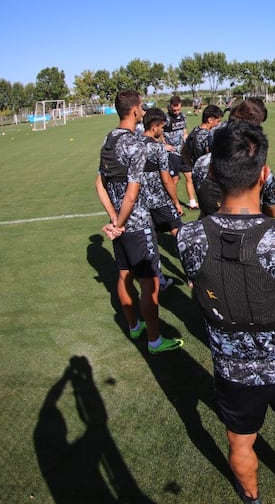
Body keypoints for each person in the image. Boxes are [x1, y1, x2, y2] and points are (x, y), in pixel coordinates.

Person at [176, 122, 275, 504]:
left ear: (212, 171)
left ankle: (251, 497)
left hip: (231, 366)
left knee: (239, 440)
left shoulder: (188, 237)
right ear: (264, 174)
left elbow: (198, 286)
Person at [94, 90, 183, 355]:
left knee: (123, 276)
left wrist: (112, 218)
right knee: (149, 283)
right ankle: (155, 341)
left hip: (119, 225)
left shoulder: (108, 140)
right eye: (141, 107)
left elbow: (99, 183)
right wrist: (121, 222)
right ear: (134, 111)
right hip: (137, 223)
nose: (143, 111)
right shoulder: (134, 143)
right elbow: (133, 192)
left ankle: (134, 326)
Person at [193, 98, 275, 218]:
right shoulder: (258, 163)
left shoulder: (202, 161)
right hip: (244, 216)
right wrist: (270, 194)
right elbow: (271, 211)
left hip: (209, 208)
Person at [139, 108, 186, 288]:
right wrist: (175, 202)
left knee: (150, 242)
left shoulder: (134, 145)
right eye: (161, 127)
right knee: (180, 235)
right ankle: (192, 274)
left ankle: (158, 280)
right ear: (154, 126)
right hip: (160, 201)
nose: (163, 131)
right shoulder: (158, 149)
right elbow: (167, 180)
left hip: (141, 204)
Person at [180, 105, 224, 210]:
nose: (219, 124)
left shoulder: (194, 131)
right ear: (210, 120)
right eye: (217, 121)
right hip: (207, 180)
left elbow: (186, 152)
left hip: (197, 175)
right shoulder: (208, 136)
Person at [164, 95, 188, 196]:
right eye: (174, 110)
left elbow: (184, 130)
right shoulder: (166, 118)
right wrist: (164, 144)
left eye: (178, 109)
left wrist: (186, 140)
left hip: (182, 150)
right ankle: (173, 200)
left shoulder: (183, 116)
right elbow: (159, 132)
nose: (176, 112)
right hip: (172, 152)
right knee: (174, 178)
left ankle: (191, 201)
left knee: (188, 175)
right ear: (170, 106)